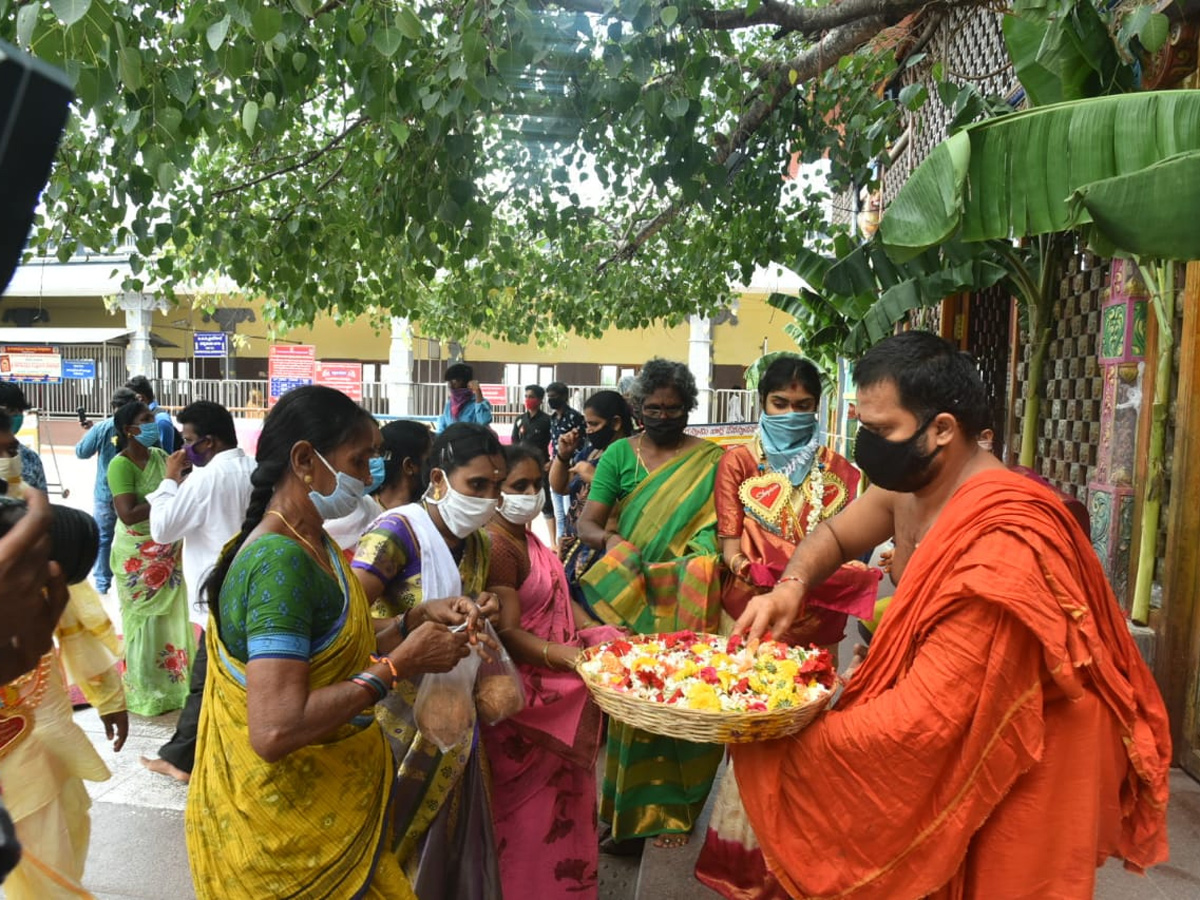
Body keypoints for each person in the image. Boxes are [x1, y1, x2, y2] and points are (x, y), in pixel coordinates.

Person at [732, 332, 1171, 899]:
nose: (869, 445)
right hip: (964, 712)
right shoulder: (911, 484)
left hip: (1021, 747)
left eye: (882, 431)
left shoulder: (1004, 536)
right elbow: (837, 534)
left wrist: (777, 741)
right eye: (863, 427)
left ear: (942, 428)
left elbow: (928, 720)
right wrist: (790, 585)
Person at [185, 385, 471, 899]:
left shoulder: (313, 542)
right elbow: (274, 730)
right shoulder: (282, 563)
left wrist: (412, 621)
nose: (367, 479)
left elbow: (329, 647)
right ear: (303, 460)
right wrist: (397, 667)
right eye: (359, 461)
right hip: (291, 840)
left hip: (331, 817)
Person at [694, 355, 879, 900]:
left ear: (818, 407)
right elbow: (730, 543)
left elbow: (851, 545)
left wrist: (811, 573)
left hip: (820, 621)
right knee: (753, 732)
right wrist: (753, 570)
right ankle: (747, 863)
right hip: (755, 615)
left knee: (809, 735)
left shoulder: (842, 471)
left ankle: (800, 859)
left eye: (803, 406)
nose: (792, 414)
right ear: (762, 404)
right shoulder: (737, 464)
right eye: (781, 404)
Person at [576, 359, 725, 851]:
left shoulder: (712, 460)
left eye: (674, 408)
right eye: (653, 408)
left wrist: (699, 561)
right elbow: (588, 524)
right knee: (637, 702)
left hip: (691, 598)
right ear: (638, 408)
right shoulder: (620, 454)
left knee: (688, 699)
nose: (663, 416)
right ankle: (627, 816)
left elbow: (722, 529)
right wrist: (615, 542)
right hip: (633, 597)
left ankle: (675, 815)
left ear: (688, 408)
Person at [351, 422, 505, 897]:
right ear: (438, 480)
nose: (488, 498)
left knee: (445, 844)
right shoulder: (397, 531)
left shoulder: (478, 541)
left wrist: (482, 605)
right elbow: (347, 626)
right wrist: (412, 623)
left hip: (451, 716)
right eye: (476, 485)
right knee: (383, 845)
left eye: (496, 487)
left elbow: (464, 599)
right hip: (391, 715)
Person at [483, 443, 623, 899]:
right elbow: (508, 633)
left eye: (535, 485)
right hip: (527, 704)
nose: (530, 494)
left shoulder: (527, 537)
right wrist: (573, 659)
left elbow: (561, 603)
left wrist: (601, 634)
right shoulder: (499, 545)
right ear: (494, 490)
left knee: (564, 809)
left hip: (558, 683)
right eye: (516, 486)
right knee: (529, 819)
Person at [0, 409, 127, 898]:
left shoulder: (49, 596)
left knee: (56, 845)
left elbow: (81, 639)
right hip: (31, 751)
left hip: (35, 749)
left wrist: (111, 700)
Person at [141, 400, 254, 782]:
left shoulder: (205, 479)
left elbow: (162, 529)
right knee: (230, 676)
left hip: (216, 593)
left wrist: (170, 480)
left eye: (188, 441)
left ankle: (180, 757)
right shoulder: (255, 470)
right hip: (251, 590)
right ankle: (198, 751)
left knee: (205, 680)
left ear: (209, 442)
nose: (184, 449)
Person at [107, 400, 190, 716]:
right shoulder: (121, 465)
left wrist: (177, 484)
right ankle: (143, 688)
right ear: (130, 429)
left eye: (152, 418)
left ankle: (172, 685)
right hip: (137, 556)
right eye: (146, 419)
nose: (154, 424)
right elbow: (127, 514)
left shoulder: (159, 457)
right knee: (141, 620)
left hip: (166, 548)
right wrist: (167, 489)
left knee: (170, 619)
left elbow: (179, 493)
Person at [549, 390, 633, 615]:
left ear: (615, 423)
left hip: (602, 550)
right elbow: (561, 486)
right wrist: (563, 455)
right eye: (587, 424)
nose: (589, 430)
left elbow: (630, 504)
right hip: (575, 546)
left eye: (594, 424)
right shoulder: (591, 451)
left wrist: (594, 477)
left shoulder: (630, 455)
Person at [325, 419, 433, 552]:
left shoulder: (428, 517)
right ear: (409, 466)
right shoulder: (357, 513)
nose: (434, 470)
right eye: (429, 461)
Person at [75, 386, 139, 595]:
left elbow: (82, 452)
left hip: (106, 494)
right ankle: (132, 580)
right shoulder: (142, 429)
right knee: (134, 537)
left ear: (113, 407)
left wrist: (92, 434)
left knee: (103, 539)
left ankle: (102, 584)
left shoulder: (103, 428)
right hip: (134, 495)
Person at [511, 384, 555, 537]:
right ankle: (527, 533)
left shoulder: (547, 420)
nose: (528, 399)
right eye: (526, 396)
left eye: (532, 397)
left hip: (541, 466)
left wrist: (553, 462)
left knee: (546, 502)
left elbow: (555, 442)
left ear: (540, 400)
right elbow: (514, 442)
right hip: (522, 467)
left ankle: (553, 542)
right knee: (524, 499)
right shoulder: (520, 420)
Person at [546, 380, 585, 550]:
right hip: (557, 466)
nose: (551, 400)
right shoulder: (553, 418)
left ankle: (570, 543)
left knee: (570, 510)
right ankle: (561, 545)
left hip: (571, 469)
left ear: (564, 397)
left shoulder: (575, 417)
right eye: (549, 397)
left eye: (554, 397)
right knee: (559, 512)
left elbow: (582, 444)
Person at [0, 383, 46, 490]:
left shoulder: (31, 459)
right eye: (11, 411)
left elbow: (40, 500)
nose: (17, 416)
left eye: (20, 411)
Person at [434, 363, 492, 432]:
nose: (451, 386)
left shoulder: (478, 403)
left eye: (454, 381)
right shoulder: (449, 405)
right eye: (449, 382)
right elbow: (442, 429)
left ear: (467, 382)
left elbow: (484, 421)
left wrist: (478, 392)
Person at [125, 375, 176, 452]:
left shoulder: (161, 420)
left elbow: (164, 455)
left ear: (140, 398)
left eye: (130, 400)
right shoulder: (141, 418)